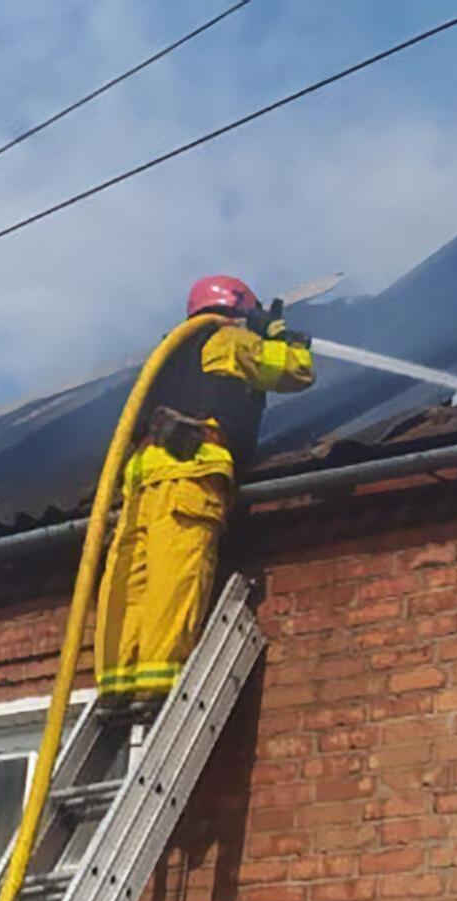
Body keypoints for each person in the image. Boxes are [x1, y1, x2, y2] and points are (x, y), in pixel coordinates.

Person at [95, 275, 315, 708]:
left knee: (129, 582)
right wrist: (277, 334)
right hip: (190, 469)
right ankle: (159, 683)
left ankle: (116, 685)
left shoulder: (163, 356)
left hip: (140, 482)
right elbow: (295, 371)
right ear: (239, 309)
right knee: (176, 574)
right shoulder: (227, 340)